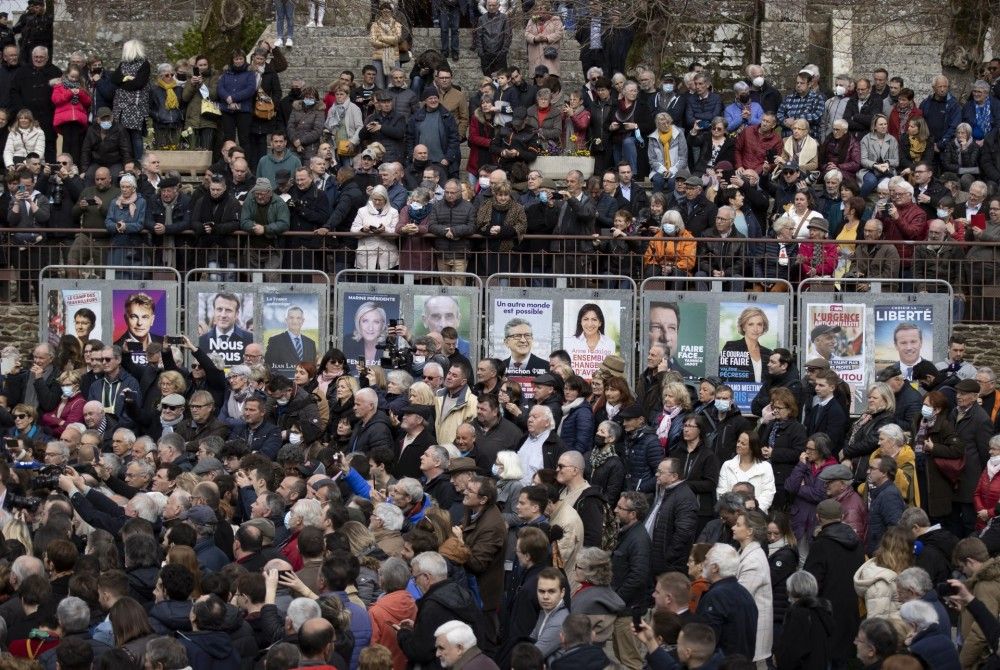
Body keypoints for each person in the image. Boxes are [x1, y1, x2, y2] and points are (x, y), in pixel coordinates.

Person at [802, 499, 865, 669]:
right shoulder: (857, 542)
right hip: (853, 610)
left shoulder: (821, 545)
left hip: (827, 614)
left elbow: (810, 583)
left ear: (818, 517)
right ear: (842, 516)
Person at [695, 543, 758, 660]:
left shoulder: (716, 597)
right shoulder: (745, 594)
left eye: (706, 559)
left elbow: (705, 641)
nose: (703, 563)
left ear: (715, 568)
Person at [717, 431, 776, 513]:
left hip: (757, 516)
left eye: (743, 443)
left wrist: (754, 511)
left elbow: (768, 493)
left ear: (752, 447)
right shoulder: (727, 465)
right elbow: (722, 492)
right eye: (738, 441)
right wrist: (734, 511)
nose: (738, 445)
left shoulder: (765, 467)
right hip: (733, 514)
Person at [900, 599, 961, 670]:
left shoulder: (916, 650)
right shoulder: (946, 640)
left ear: (913, 626)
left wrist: (906, 647)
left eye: (903, 622)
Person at [719, 306, 771, 384]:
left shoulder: (768, 353)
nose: (755, 329)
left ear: (763, 327)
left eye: (759, 324)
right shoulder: (731, 347)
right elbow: (721, 376)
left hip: (763, 396)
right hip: (738, 394)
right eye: (751, 324)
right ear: (743, 327)